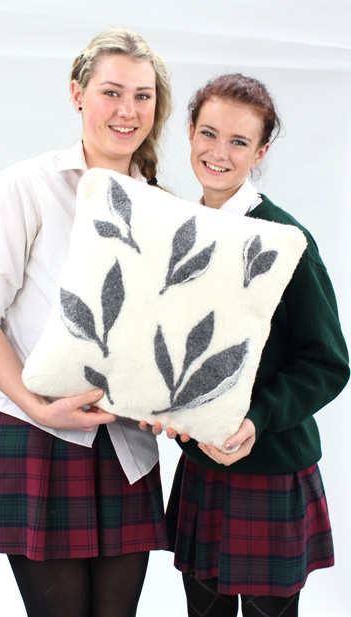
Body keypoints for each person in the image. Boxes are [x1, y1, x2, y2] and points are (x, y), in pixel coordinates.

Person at [0, 27, 172, 617]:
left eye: (143, 96)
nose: (128, 111)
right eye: (112, 92)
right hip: (36, 435)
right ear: (77, 95)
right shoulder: (28, 185)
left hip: (125, 446)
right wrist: (36, 403)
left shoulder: (163, 205)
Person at [152, 74, 349, 617]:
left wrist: (256, 418)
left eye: (239, 142)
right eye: (209, 133)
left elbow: (327, 362)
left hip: (270, 465)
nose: (219, 153)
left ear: (261, 152)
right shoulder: (176, 230)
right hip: (202, 466)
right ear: (189, 132)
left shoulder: (286, 241)